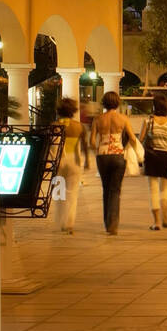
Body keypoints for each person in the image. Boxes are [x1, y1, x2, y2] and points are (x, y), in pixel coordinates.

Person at [89, 91, 133, 235]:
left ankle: (107, 223)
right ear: (117, 102)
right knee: (115, 190)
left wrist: (99, 148)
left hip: (103, 156)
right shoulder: (123, 119)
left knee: (106, 189)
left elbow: (92, 142)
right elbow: (132, 138)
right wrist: (125, 147)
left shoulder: (98, 119)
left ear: (104, 103)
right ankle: (113, 224)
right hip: (118, 155)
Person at [141, 93, 167, 230]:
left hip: (152, 156)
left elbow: (141, 140)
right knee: (165, 188)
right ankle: (166, 217)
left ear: (154, 106)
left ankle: (156, 222)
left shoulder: (148, 122)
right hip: (166, 157)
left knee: (153, 189)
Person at [54, 97, 85, 234]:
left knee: (59, 192)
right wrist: (88, 163)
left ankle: (61, 221)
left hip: (59, 160)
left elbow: (51, 145)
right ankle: (69, 223)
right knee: (72, 193)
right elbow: (84, 146)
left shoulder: (54, 125)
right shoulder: (79, 126)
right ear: (73, 111)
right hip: (74, 160)